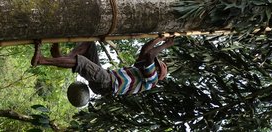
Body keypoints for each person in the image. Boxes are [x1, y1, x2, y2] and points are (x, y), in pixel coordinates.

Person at [31, 36, 175, 96]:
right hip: (107, 77)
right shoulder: (139, 70)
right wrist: (160, 38)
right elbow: (145, 50)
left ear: (157, 72)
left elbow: (150, 55)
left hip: (108, 83)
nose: (152, 63)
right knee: (89, 44)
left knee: (81, 62)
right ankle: (60, 58)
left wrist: (166, 44)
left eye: (155, 65)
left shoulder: (152, 80)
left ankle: (42, 60)